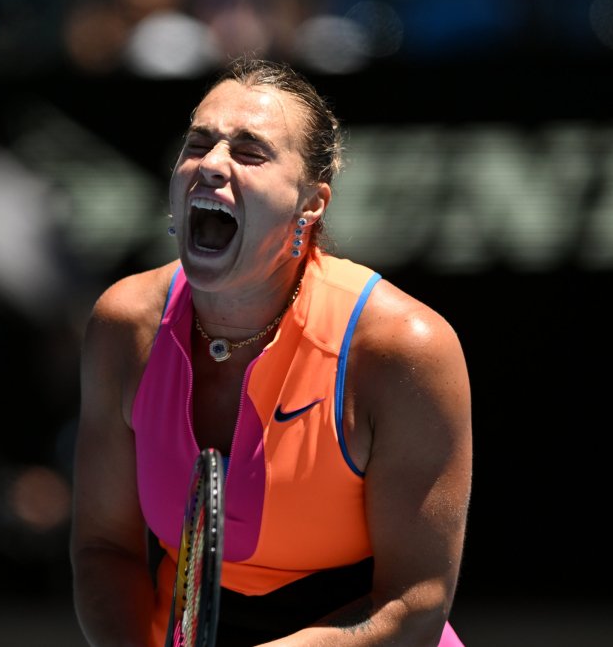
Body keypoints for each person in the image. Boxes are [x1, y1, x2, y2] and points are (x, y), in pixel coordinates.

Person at [70, 56, 472, 647]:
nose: (210, 164)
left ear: (311, 204)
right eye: (197, 143)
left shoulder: (402, 348)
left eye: (249, 152)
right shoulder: (124, 325)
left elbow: (417, 602)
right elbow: (104, 548)